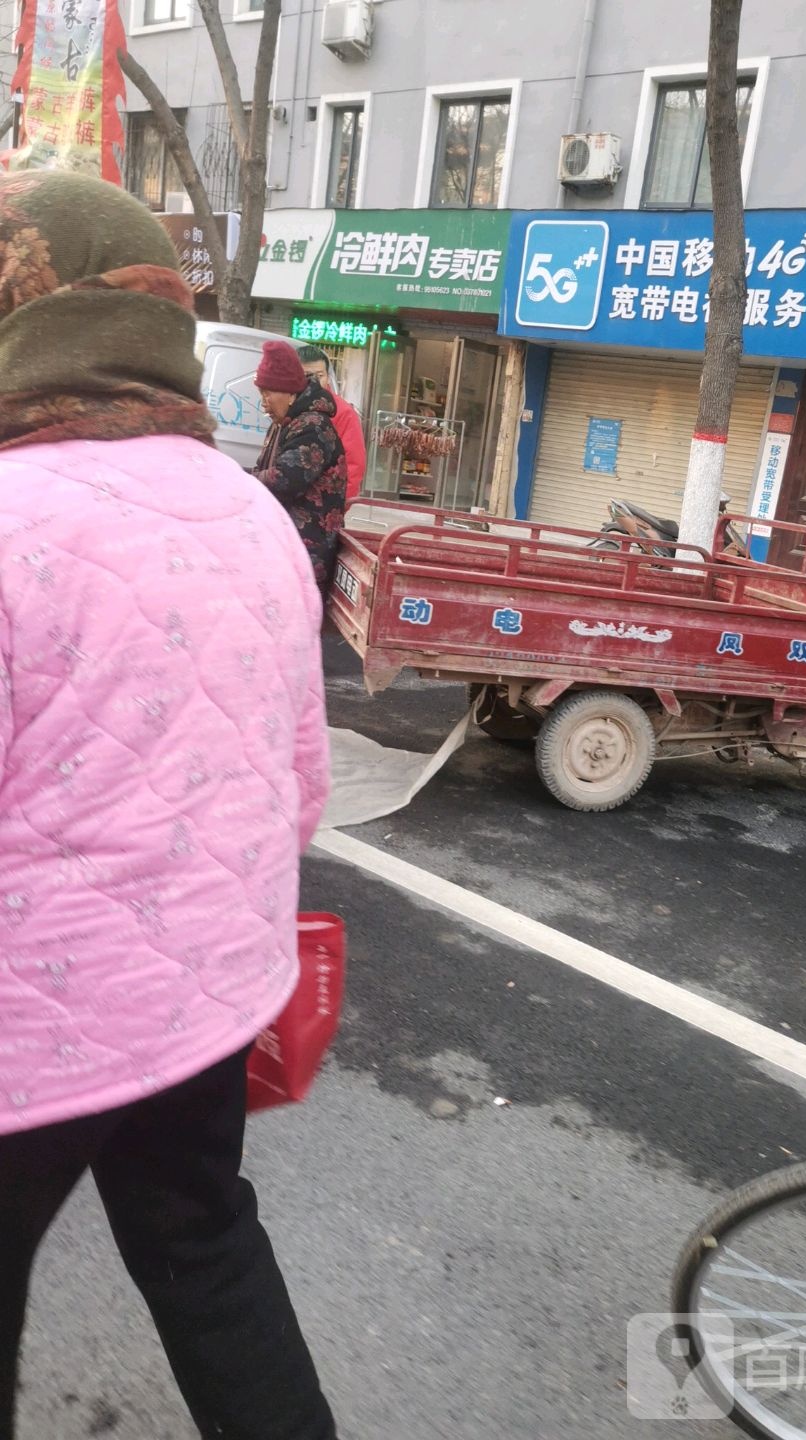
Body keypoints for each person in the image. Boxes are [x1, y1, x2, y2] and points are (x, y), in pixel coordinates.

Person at [0, 172, 337, 1440]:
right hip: (204, 1003)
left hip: (26, 1037)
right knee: (208, 1258)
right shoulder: (248, 512)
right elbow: (301, 787)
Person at [253, 340, 348, 591]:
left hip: (306, 553)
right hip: (285, 545)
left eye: (267, 393)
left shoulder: (313, 426)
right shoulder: (284, 422)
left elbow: (285, 480)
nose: (263, 402)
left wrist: (239, 481)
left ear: (291, 393)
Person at [297, 344, 367, 506]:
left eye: (319, 375)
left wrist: (340, 507)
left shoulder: (342, 412)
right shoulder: (287, 406)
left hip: (325, 508)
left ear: (328, 377)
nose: (313, 382)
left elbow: (353, 465)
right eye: (306, 375)